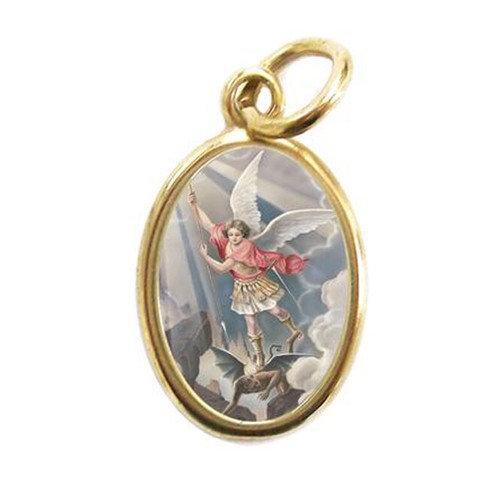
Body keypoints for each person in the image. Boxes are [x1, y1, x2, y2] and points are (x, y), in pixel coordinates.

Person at [188, 191, 305, 367]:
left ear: (243, 235)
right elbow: (207, 224)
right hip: (241, 286)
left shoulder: (244, 248)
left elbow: (222, 269)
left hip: (256, 284)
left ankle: (294, 329)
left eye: (237, 235)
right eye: (231, 235)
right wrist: (194, 205)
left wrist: (205, 256)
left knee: (275, 310)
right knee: (250, 321)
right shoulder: (226, 241)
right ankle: (260, 355)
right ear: (227, 234)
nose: (234, 238)